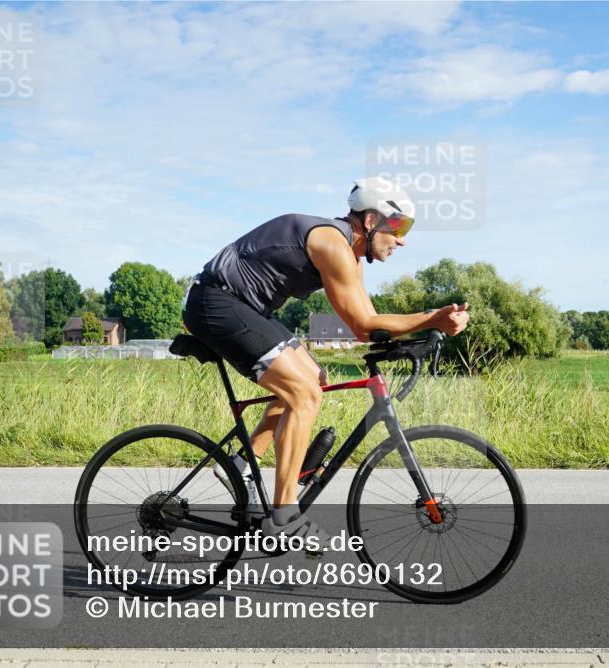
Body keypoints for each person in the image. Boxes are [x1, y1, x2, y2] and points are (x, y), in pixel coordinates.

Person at [182, 177, 469, 539]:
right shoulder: (331, 244)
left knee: (312, 378)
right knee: (304, 393)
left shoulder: (351, 257)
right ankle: (283, 514)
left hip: (245, 307)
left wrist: (417, 336)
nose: (401, 239)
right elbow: (364, 324)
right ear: (369, 221)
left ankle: (240, 463)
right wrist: (431, 317)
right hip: (215, 301)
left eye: (406, 228)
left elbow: (369, 325)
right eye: (397, 225)